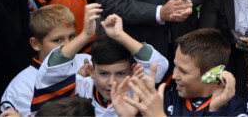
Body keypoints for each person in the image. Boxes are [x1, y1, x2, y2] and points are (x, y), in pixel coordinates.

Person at [32, 6, 169, 114]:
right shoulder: (81, 86)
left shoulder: (137, 88)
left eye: (120, 73)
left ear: (132, 71)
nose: (111, 82)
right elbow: (50, 73)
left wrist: (121, 36)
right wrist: (85, 35)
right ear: (91, 70)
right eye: (103, 74)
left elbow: (158, 65)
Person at [1, 5, 90, 116]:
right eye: (58, 40)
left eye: (72, 36)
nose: (68, 44)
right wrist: (77, 86)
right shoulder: (20, 88)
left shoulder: (87, 61)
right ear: (36, 44)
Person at [146, 28, 248, 116]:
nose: (174, 76)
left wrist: (215, 111)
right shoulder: (163, 100)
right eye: (175, 66)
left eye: (184, 72)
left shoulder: (235, 108)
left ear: (212, 75)